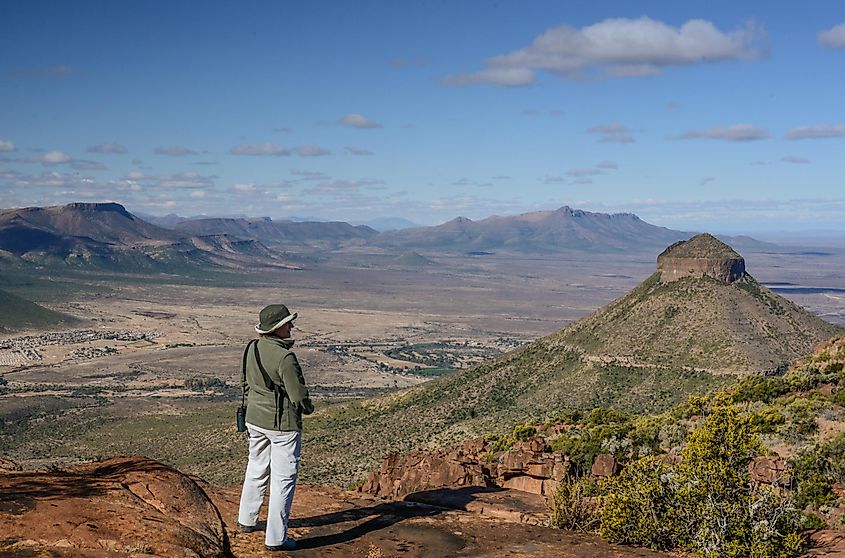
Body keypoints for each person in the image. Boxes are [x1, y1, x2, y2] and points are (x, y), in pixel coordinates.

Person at [237, 304, 314, 551]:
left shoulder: (252, 348)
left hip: (254, 419)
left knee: (256, 467)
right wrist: (308, 408)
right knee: (283, 479)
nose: (291, 326)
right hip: (282, 425)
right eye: (287, 323)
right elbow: (298, 395)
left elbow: (246, 382)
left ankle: (246, 520)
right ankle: (276, 538)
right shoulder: (285, 357)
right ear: (277, 328)